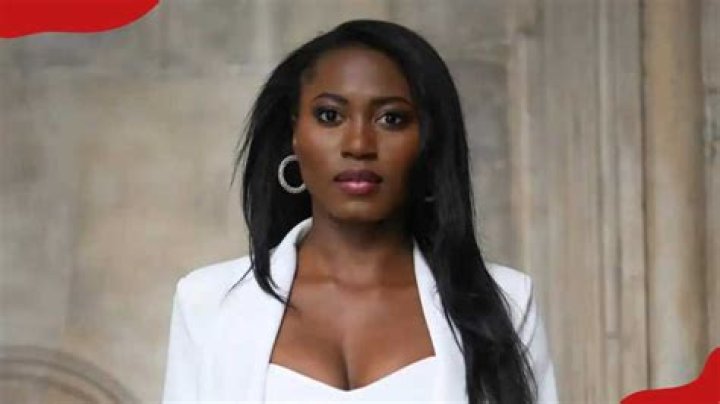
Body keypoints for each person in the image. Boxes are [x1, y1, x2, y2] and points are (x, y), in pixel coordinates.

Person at [162, 19, 557, 403]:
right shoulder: (207, 302)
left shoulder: (506, 303)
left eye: (391, 119)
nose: (359, 144)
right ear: (295, 134)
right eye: (330, 116)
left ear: (428, 141)